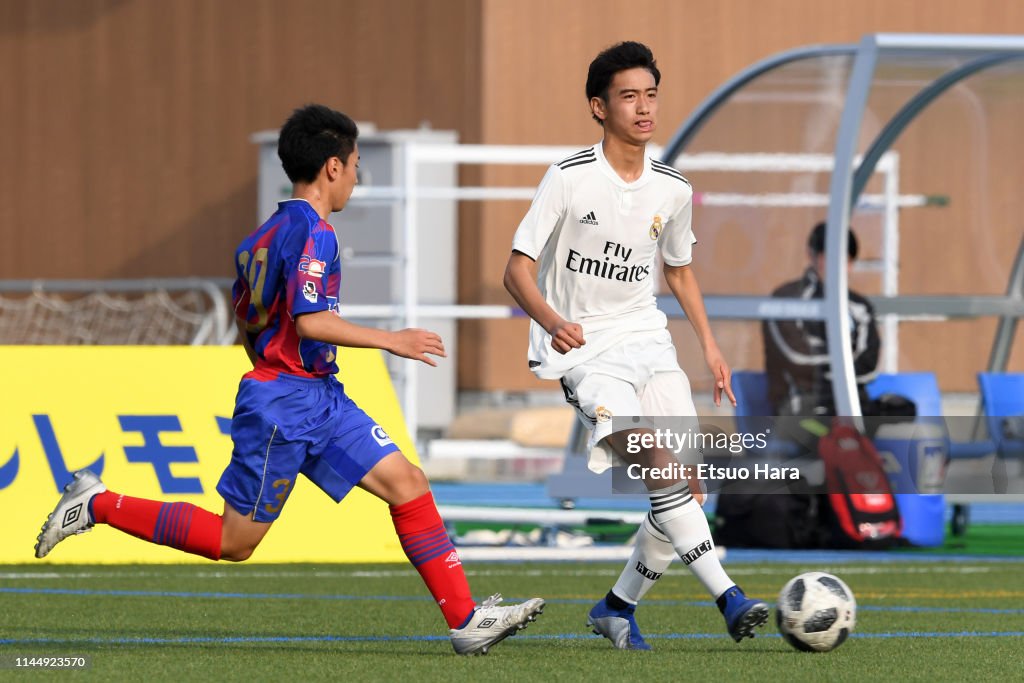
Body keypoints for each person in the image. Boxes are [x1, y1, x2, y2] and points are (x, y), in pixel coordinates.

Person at [34, 103, 544, 656]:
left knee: (408, 483)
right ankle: (97, 503)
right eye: (353, 166)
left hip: (315, 394)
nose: (354, 178)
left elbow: (254, 321)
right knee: (234, 543)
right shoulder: (314, 232)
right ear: (332, 167)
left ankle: (466, 621)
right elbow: (309, 319)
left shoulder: (262, 235)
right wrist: (392, 339)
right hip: (286, 402)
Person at [503, 41, 768, 650]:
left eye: (651, 94)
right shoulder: (567, 178)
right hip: (584, 354)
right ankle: (730, 598)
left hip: (649, 341)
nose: (644, 107)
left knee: (686, 488)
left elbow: (679, 269)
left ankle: (616, 607)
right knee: (662, 468)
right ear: (599, 107)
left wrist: (711, 347)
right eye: (629, 96)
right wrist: (551, 320)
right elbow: (516, 270)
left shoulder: (673, 189)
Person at [763, 221, 883, 417]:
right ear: (811, 255)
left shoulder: (859, 307)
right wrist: (843, 359)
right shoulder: (787, 299)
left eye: (845, 258)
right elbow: (796, 359)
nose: (837, 265)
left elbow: (869, 365)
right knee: (838, 439)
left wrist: (822, 355)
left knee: (900, 417)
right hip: (800, 409)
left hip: (852, 406)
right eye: (828, 257)